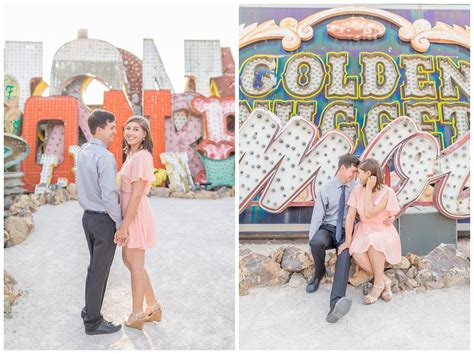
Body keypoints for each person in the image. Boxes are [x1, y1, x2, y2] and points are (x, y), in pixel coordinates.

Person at [77, 109, 122, 335]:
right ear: (99, 130)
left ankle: (89, 311)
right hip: (103, 221)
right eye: (112, 127)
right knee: (99, 271)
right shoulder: (105, 157)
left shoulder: (83, 151)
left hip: (88, 218)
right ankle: (93, 322)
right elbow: (109, 195)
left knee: (94, 268)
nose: (115, 132)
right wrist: (120, 222)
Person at [114, 116, 161, 330]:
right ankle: (153, 306)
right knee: (131, 262)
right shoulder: (131, 154)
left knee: (135, 265)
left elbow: (135, 195)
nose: (130, 132)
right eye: (128, 128)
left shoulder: (142, 157)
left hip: (135, 213)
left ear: (144, 134)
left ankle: (137, 314)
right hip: (129, 211)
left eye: (136, 129)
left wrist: (124, 225)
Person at [307, 153, 360, 323]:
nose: (355, 175)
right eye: (353, 171)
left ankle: (336, 303)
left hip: (347, 230)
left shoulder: (357, 188)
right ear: (342, 168)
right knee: (316, 242)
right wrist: (309, 246)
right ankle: (318, 273)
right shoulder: (326, 189)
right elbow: (317, 218)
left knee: (344, 256)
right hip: (328, 229)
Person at [345, 158, 402, 304]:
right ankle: (385, 280)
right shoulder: (357, 191)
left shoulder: (387, 192)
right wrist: (347, 241)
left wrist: (369, 190)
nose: (357, 176)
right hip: (364, 229)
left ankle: (377, 285)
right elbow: (350, 217)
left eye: (359, 173)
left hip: (383, 230)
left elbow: (370, 213)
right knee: (356, 252)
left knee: (374, 240)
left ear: (369, 174)